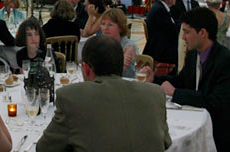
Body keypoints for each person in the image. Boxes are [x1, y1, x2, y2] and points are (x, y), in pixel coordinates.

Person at [38, 35, 171, 152]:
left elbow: (45, 148)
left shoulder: (72, 97)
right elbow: (166, 142)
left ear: (86, 68)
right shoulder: (154, 94)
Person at [139, 7, 230, 152]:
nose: (183, 37)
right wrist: (155, 79)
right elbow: (182, 80)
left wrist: (176, 93)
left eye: (187, 32)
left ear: (202, 33)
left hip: (220, 129)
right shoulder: (194, 55)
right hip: (200, 116)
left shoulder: (226, 61)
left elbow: (215, 103)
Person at [143, 0, 179, 67]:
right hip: (159, 48)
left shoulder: (159, 6)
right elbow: (171, 30)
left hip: (158, 41)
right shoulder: (160, 10)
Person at [99, 8, 137, 78]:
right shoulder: (100, 44)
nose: (105, 28)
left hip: (125, 85)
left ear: (120, 27)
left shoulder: (129, 47)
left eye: (110, 25)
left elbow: (116, 74)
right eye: (103, 24)